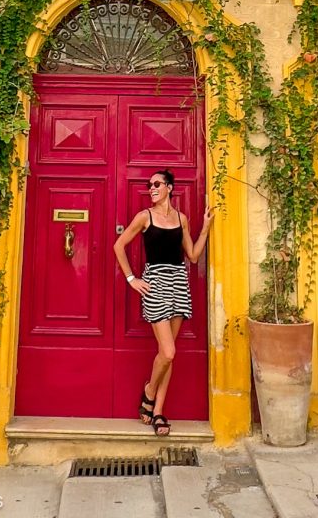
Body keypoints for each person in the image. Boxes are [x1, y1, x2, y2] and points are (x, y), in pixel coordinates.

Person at [113, 168, 214, 437]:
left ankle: (157, 410)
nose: (152, 188)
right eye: (149, 185)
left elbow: (193, 256)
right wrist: (132, 279)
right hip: (155, 283)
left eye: (157, 184)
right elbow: (118, 246)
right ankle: (149, 390)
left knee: (169, 354)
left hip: (178, 282)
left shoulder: (181, 219)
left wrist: (205, 228)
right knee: (168, 352)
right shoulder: (144, 217)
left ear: (169, 187)